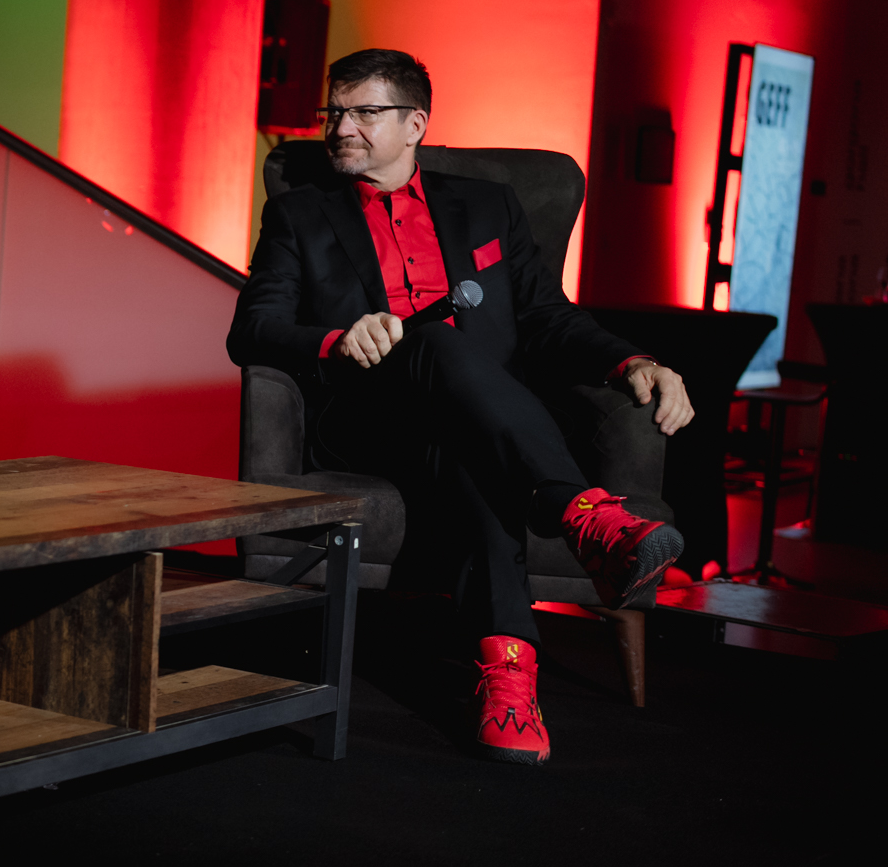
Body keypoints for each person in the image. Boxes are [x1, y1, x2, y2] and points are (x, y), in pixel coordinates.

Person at [228, 48, 695, 766]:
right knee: (437, 343)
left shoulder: (486, 206)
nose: (341, 128)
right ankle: (584, 514)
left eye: (364, 112)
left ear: (415, 123)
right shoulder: (300, 213)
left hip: (476, 422)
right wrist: (336, 339)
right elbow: (252, 329)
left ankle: (509, 677)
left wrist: (632, 361)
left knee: (475, 454)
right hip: (366, 416)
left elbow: (545, 316)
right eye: (335, 112)